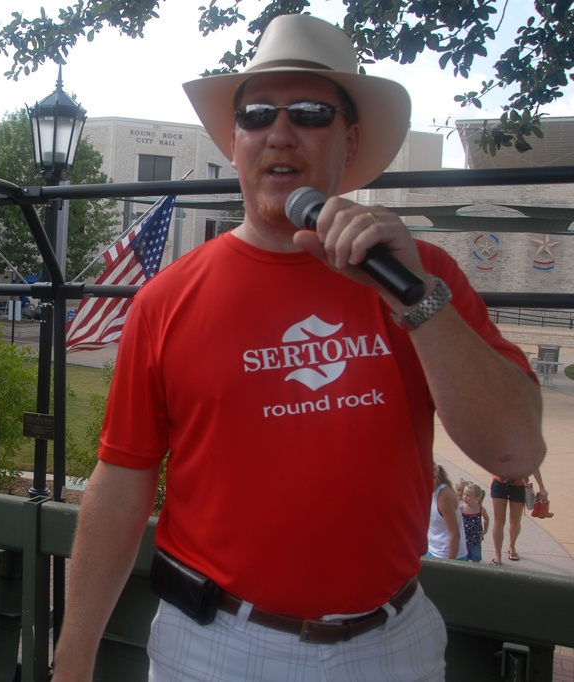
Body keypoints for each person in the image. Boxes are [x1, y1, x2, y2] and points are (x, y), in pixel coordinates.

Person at [51, 14, 544, 681]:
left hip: (392, 645)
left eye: (309, 112)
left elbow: (515, 451)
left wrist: (416, 301)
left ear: (350, 138)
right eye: (255, 115)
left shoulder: (422, 274)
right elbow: (121, 484)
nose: (278, 133)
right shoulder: (167, 300)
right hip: (216, 648)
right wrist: (73, 658)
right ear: (235, 142)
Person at [490, 468, 550, 564]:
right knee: (499, 520)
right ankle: (497, 555)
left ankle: (512, 545)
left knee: (515, 522)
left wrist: (541, 487)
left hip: (519, 485)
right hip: (499, 483)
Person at [427, 465, 468, 560]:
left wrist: (449, 565)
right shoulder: (430, 492)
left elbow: (455, 534)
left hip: (446, 555)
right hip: (432, 550)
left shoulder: (444, 497)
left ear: (434, 478)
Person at [461, 483, 489, 562]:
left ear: (476, 498)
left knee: (476, 561)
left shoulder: (480, 509)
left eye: (468, 495)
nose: (465, 497)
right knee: (463, 561)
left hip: (475, 541)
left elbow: (486, 518)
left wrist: (484, 531)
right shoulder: (461, 508)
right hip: (463, 541)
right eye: (464, 494)